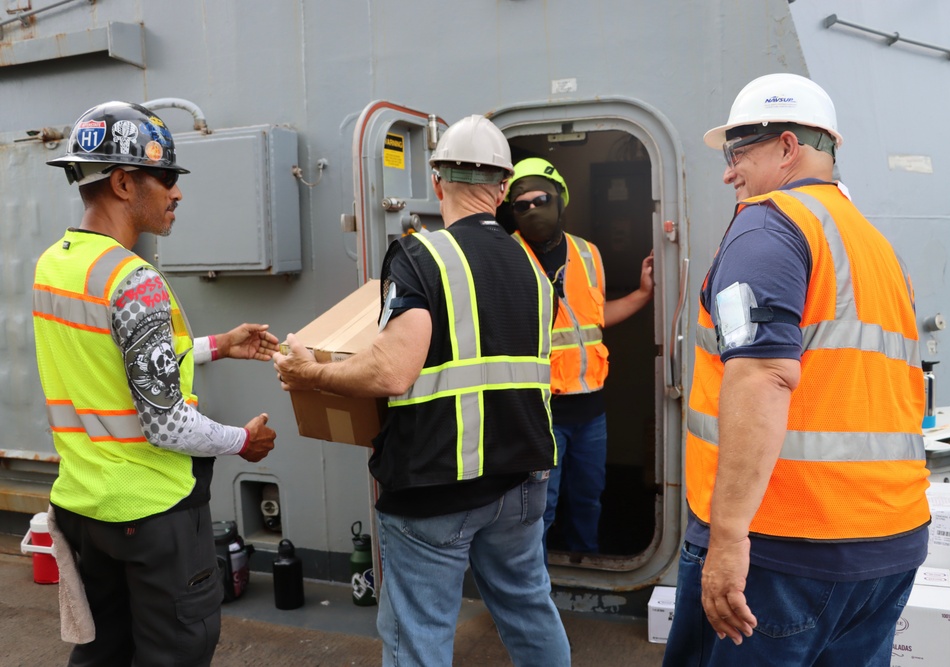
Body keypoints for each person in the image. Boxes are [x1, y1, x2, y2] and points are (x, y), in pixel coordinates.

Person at [274, 115, 571, 666]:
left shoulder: (421, 255)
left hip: (437, 485)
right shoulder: (533, 270)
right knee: (530, 609)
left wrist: (310, 373)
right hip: (523, 480)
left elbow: (391, 372)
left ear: (438, 183)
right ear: (503, 188)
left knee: (420, 635)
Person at [662, 73, 930, 666]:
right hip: (887, 539)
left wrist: (729, 539)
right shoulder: (877, 247)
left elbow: (763, 377)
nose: (729, 171)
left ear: (787, 147)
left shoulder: (768, 226)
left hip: (787, 547)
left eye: (739, 152)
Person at [33, 101, 278, 667]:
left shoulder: (56, 265)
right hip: (150, 515)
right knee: (176, 653)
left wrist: (218, 344)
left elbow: (110, 361)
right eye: (166, 177)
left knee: (103, 653)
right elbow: (166, 422)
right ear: (123, 182)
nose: (177, 192)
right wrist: (244, 441)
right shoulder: (132, 279)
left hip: (82, 507)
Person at [506, 157, 653, 555]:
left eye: (541, 198)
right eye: (522, 204)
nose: (533, 208)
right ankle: (533, 589)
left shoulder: (588, 253)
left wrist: (641, 294)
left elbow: (593, 318)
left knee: (589, 500)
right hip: (541, 413)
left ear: (560, 200)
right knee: (540, 508)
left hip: (591, 412)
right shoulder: (507, 257)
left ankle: (583, 559)